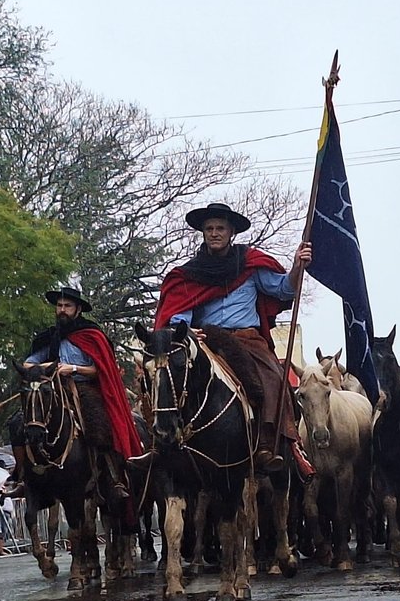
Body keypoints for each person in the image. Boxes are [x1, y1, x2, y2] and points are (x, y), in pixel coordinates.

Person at [153, 201, 312, 474]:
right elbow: (179, 316)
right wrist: (188, 331)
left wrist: (298, 266)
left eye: (220, 228)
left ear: (231, 233)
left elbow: (284, 290)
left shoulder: (251, 264)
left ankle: (268, 442)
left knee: (275, 378)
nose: (214, 233)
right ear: (203, 233)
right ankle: (167, 443)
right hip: (207, 341)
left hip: (248, 340)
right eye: (209, 228)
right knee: (168, 376)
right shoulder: (190, 273)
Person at [21, 285, 143, 506]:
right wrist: (45, 368)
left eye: (67, 306)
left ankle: (114, 477)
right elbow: (28, 363)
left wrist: (73, 369)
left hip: (84, 386)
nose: (62, 310)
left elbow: (102, 369)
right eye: (59, 306)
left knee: (100, 423)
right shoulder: (49, 337)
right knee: (21, 422)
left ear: (78, 309)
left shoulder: (92, 334)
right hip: (52, 388)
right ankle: (22, 475)